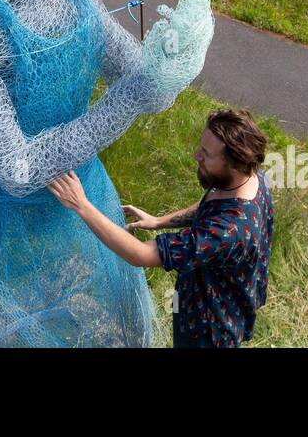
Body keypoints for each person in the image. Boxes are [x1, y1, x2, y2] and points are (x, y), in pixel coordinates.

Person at [48, 108, 274, 348]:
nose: (196, 156)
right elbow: (212, 204)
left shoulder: (229, 231)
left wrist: (81, 205)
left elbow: (140, 254)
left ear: (235, 164)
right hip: (205, 298)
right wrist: (159, 221)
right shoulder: (252, 179)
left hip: (207, 329)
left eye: (206, 155)